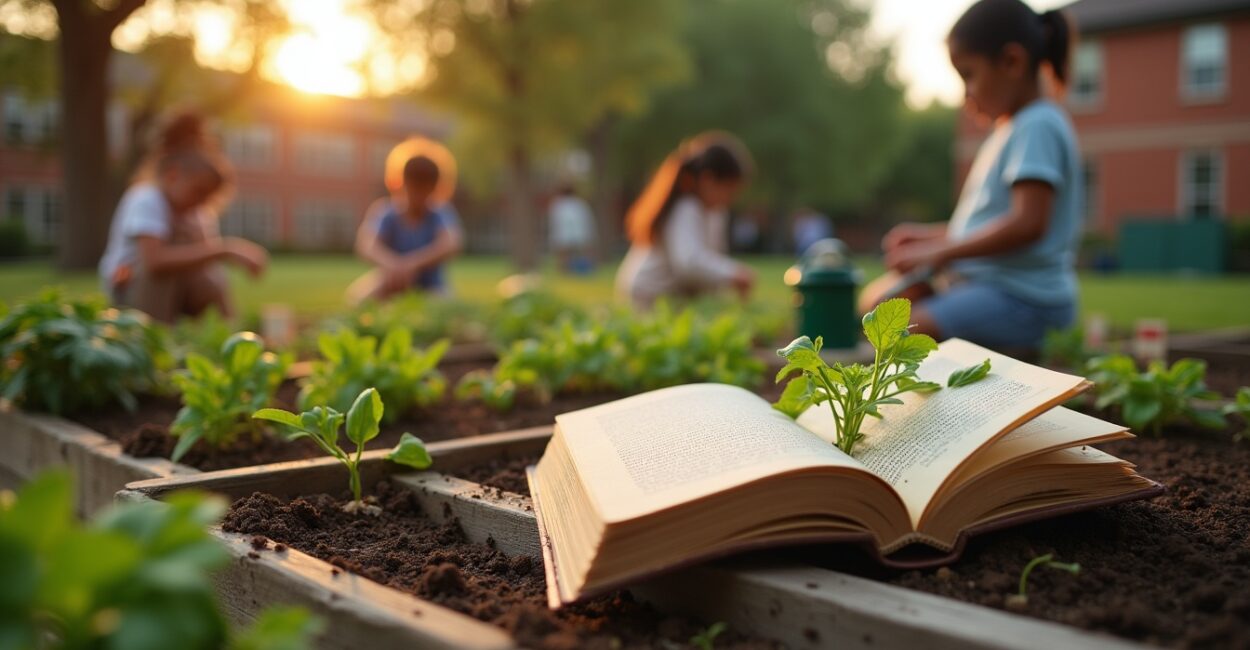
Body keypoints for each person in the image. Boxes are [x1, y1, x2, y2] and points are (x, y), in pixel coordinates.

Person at [859, 0, 1081, 351]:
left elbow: (1028, 224)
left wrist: (941, 253)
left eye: (969, 75)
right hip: (986, 287)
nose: (966, 94)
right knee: (875, 306)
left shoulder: (1038, 124)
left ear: (1012, 61)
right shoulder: (1013, 129)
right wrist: (932, 239)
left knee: (899, 335)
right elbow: (989, 225)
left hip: (1026, 301)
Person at [98, 111, 267, 323]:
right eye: (198, 191)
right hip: (126, 286)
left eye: (207, 197)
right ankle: (150, 339)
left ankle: (221, 334)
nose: (201, 202)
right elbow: (155, 261)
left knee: (209, 278)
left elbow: (209, 269)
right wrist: (225, 249)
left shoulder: (196, 213)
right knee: (166, 266)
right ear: (172, 175)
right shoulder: (147, 199)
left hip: (173, 292)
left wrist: (231, 320)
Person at [616, 132, 757, 309]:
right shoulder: (686, 208)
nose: (731, 199)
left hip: (671, 300)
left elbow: (710, 261)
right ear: (708, 180)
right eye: (729, 190)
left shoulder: (714, 214)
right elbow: (688, 263)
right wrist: (734, 273)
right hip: (649, 297)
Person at [348, 137, 463, 304]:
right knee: (359, 300)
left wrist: (412, 264)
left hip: (432, 286)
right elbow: (366, 244)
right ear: (402, 182)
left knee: (446, 306)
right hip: (391, 281)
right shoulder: (387, 212)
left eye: (425, 187)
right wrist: (393, 265)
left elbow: (452, 243)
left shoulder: (439, 213)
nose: (419, 194)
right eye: (414, 185)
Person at [547, 184, 595, 274]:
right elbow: (586, 219)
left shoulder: (558, 205)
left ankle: (565, 271)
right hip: (579, 233)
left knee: (564, 255)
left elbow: (555, 221)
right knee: (579, 253)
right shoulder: (580, 203)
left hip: (564, 234)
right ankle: (580, 270)